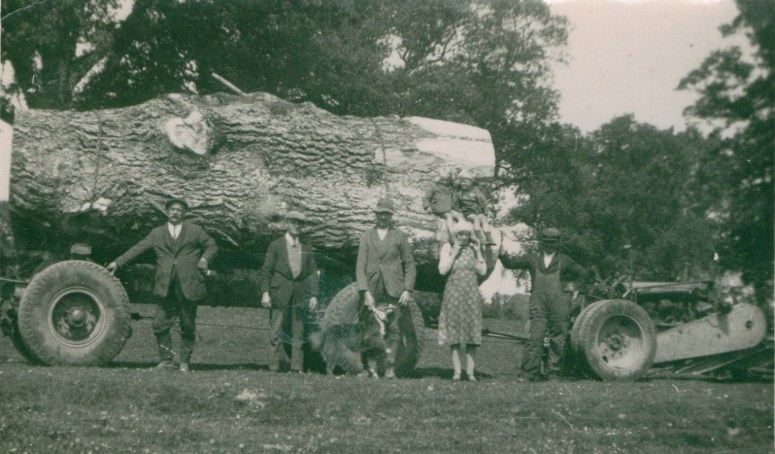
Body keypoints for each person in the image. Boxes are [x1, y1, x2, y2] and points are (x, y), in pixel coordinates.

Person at [107, 198, 217, 372]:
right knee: (159, 325)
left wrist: (204, 259)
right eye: (172, 209)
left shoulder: (195, 231)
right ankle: (166, 360)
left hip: (188, 285)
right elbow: (138, 248)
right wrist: (118, 263)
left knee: (187, 325)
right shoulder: (157, 233)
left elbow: (212, 245)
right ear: (167, 212)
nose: (175, 212)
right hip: (165, 286)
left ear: (184, 214)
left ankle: (184, 362)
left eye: (179, 210)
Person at [499, 227, 588, 381]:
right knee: (535, 337)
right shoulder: (532, 259)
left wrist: (570, 288)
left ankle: (552, 373)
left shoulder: (565, 260)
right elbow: (511, 263)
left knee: (557, 339)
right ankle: (528, 374)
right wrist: (502, 253)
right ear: (542, 243)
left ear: (558, 243)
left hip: (560, 304)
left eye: (553, 242)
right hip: (538, 304)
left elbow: (583, 274)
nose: (550, 245)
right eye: (547, 242)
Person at [356, 198, 416, 379]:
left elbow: (410, 265)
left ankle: (390, 368)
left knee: (394, 330)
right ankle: (368, 368)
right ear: (375, 215)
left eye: (386, 214)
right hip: (372, 289)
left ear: (391, 216)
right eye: (380, 213)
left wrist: (407, 289)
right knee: (368, 331)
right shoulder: (366, 236)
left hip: (394, 289)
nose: (383, 217)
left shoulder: (400, 236)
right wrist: (365, 291)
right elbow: (360, 267)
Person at [260, 211, 320, 373]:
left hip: (300, 295)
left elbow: (312, 273)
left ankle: (296, 367)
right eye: (293, 222)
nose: (296, 225)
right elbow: (266, 271)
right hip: (279, 293)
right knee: (276, 331)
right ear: (287, 223)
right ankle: (274, 366)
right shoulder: (276, 245)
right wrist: (265, 293)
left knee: (298, 332)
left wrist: (314, 294)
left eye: (300, 223)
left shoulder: (306, 248)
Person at [437, 221, 487, 382]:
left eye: (466, 234)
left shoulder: (474, 249)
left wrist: (479, 253)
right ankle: (457, 372)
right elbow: (442, 270)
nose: (464, 237)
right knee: (455, 334)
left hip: (470, 294)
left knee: (472, 334)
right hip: (453, 293)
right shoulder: (448, 248)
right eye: (460, 234)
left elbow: (482, 271)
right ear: (455, 235)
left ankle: (470, 373)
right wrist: (454, 253)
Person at [422, 167, 460, 249]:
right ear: (439, 178)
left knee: (458, 215)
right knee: (449, 216)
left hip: (448, 207)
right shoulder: (433, 186)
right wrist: (427, 206)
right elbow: (426, 198)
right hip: (438, 206)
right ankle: (452, 234)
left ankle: (462, 230)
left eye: (447, 180)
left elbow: (457, 186)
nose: (445, 182)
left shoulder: (450, 187)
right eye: (443, 180)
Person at [453, 175, 494, 245]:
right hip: (468, 212)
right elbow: (455, 203)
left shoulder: (475, 190)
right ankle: (479, 236)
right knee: (475, 218)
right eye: (462, 182)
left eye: (466, 182)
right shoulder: (458, 192)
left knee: (483, 218)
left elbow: (483, 201)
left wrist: (486, 212)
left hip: (478, 211)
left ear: (471, 183)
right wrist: (459, 212)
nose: (463, 184)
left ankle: (488, 237)